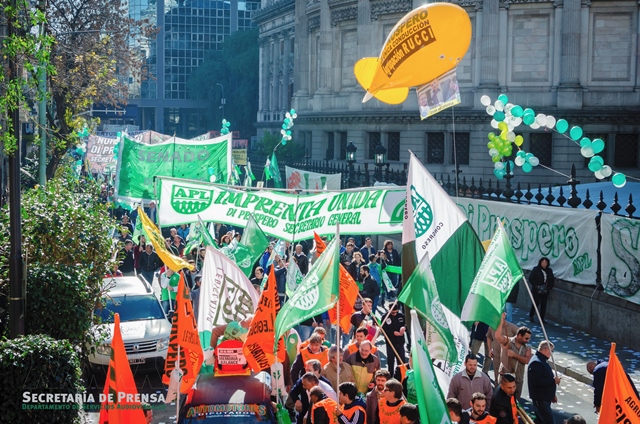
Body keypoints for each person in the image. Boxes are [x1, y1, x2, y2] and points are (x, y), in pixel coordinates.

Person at [495, 315, 532, 400]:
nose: (528, 341)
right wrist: (501, 321)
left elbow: (527, 360)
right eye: (526, 338)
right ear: (519, 335)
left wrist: (514, 355)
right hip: (505, 378)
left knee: (515, 402)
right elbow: (498, 336)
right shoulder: (508, 341)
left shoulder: (527, 347)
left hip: (518, 379)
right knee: (501, 400)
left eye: (529, 339)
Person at [527, 341, 560, 424]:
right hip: (541, 399)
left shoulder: (541, 360)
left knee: (540, 421)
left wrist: (552, 395)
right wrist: (553, 381)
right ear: (546, 349)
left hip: (544, 397)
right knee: (548, 421)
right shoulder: (536, 362)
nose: (552, 354)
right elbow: (537, 381)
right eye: (551, 351)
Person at [486, 313, 519, 382]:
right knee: (496, 375)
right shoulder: (492, 326)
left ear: (504, 316)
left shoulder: (511, 327)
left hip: (507, 357)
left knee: (507, 377)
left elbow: (520, 337)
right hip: (496, 354)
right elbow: (488, 337)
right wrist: (489, 350)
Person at [382, 303, 407, 378]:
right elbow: (383, 329)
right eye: (393, 312)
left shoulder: (401, 316)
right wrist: (393, 332)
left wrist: (404, 328)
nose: (395, 314)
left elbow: (406, 324)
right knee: (391, 361)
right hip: (390, 342)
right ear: (389, 309)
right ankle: (390, 377)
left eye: (396, 312)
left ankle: (402, 376)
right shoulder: (385, 317)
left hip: (400, 342)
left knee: (402, 360)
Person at [529, 257, 555, 324]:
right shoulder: (536, 269)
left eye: (545, 262)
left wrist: (549, 287)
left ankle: (541, 319)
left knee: (543, 304)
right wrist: (536, 286)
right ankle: (531, 315)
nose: (544, 264)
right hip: (537, 290)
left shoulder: (549, 270)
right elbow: (531, 278)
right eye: (543, 262)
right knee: (536, 303)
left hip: (545, 290)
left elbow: (552, 279)